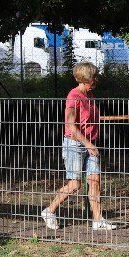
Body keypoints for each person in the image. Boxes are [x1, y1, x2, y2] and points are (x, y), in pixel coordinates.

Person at [41, 62, 117, 231]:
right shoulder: (74, 96)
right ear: (85, 78)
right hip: (75, 144)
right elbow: (71, 125)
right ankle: (49, 211)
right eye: (94, 77)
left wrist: (91, 142)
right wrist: (88, 144)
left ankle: (98, 220)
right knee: (75, 185)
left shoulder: (90, 95)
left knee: (95, 181)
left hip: (90, 144)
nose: (96, 79)